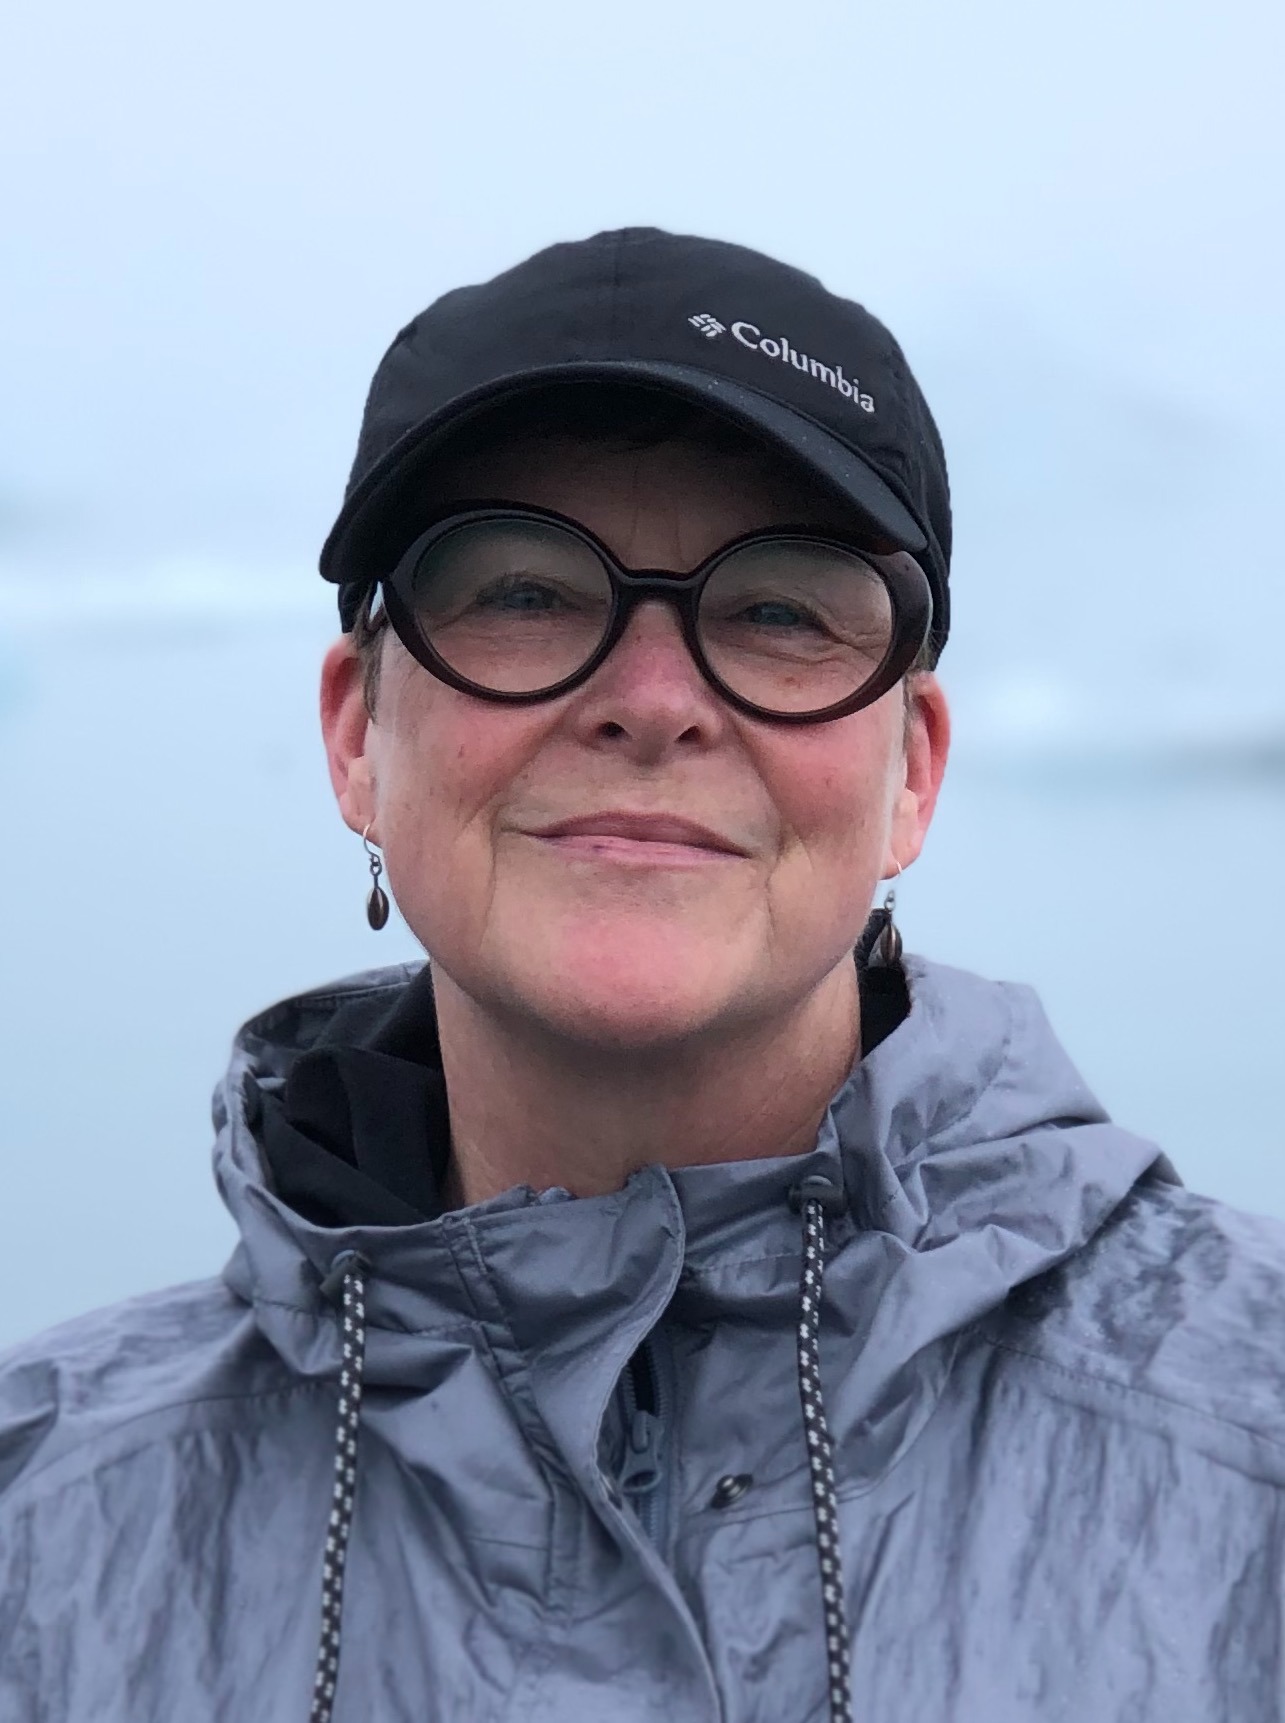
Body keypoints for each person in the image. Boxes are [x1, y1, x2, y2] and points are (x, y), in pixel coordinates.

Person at [3, 227, 1284, 1723]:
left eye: (778, 610)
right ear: (358, 737)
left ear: (909, 774)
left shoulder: (1247, 1442)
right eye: (523, 592)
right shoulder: (47, 1522)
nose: (654, 700)